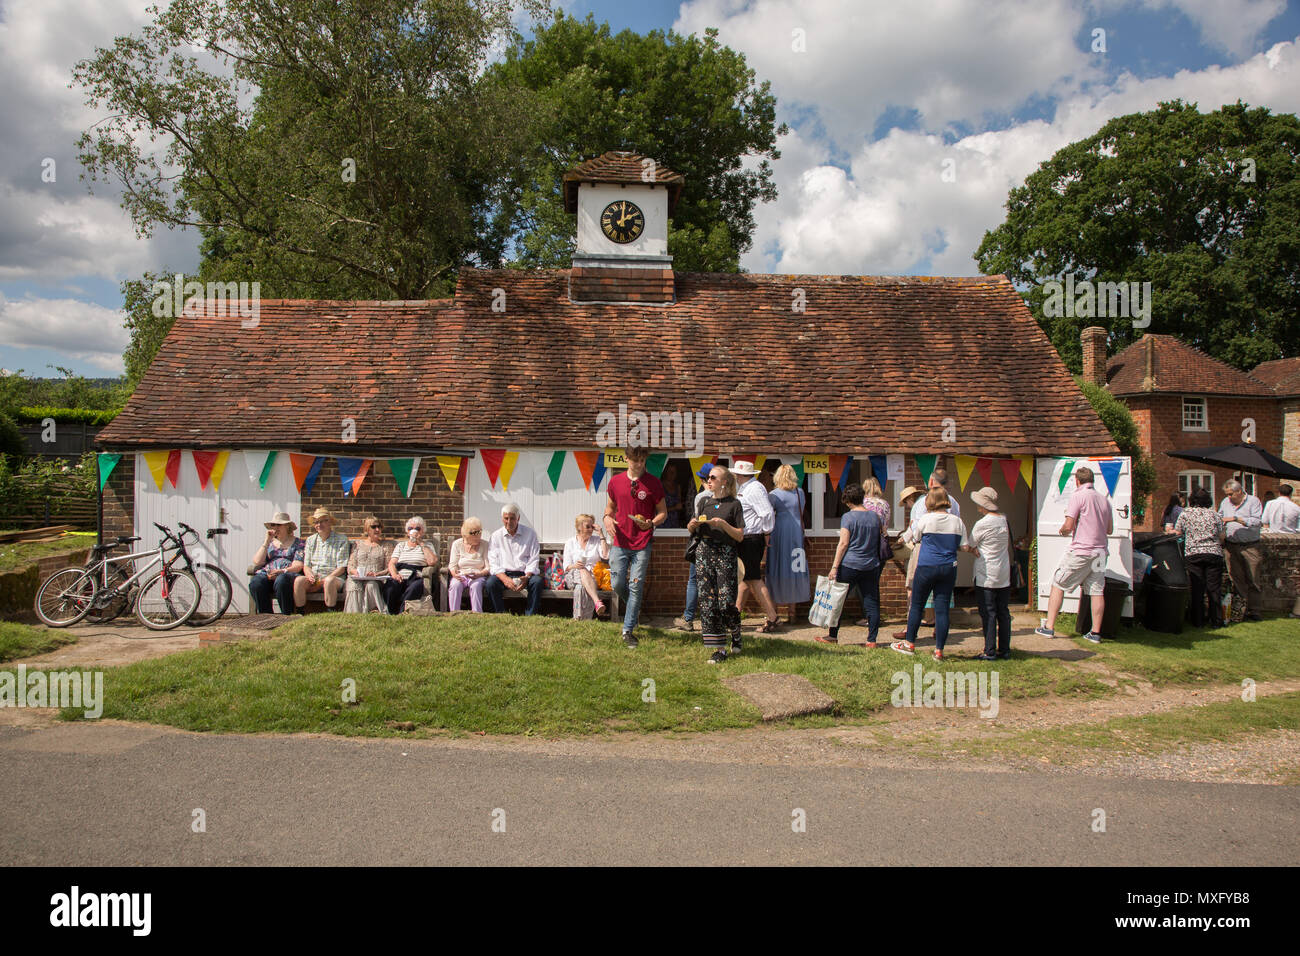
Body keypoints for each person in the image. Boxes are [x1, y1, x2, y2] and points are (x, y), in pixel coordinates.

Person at [1035, 465, 1114, 643]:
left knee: (1058, 582)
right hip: (1101, 551)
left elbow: (1069, 526)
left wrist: (1062, 530)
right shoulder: (1104, 499)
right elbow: (1109, 529)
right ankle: (1095, 633)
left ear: (1077, 481)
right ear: (1092, 480)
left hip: (1082, 551)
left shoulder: (1078, 496)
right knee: (1096, 590)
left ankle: (1049, 627)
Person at [603, 446, 667, 648]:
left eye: (642, 460)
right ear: (626, 459)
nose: (639, 464)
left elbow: (663, 512)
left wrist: (652, 523)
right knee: (617, 584)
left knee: (636, 585)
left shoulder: (654, 483)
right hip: (620, 542)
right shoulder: (615, 482)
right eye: (635, 460)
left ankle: (627, 630)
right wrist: (606, 518)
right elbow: (610, 507)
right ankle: (634, 604)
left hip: (642, 543)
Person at [893, 488, 967, 659]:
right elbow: (963, 546)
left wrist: (912, 528)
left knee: (917, 605)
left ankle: (909, 643)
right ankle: (939, 650)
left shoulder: (926, 519)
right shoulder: (957, 521)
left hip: (927, 565)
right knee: (942, 610)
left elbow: (916, 538)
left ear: (930, 502)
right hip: (948, 567)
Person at [688, 466, 745, 663]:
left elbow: (739, 535)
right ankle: (719, 649)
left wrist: (723, 525)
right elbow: (692, 528)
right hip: (704, 551)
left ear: (725, 482)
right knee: (707, 600)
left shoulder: (735, 504)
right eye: (708, 477)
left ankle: (735, 631)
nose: (708, 480)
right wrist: (692, 525)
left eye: (713, 477)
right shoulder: (704, 501)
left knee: (726, 601)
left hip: (725, 553)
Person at [817, 482, 883, 647]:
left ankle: (832, 635)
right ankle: (872, 640)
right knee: (872, 602)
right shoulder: (875, 516)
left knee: (837, 601)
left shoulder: (848, 517)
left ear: (847, 500)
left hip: (850, 564)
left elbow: (843, 543)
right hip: (871, 564)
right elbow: (881, 535)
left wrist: (834, 567)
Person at [964, 487, 1013, 660]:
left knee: (988, 612)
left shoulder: (982, 524)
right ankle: (1005, 649)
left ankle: (989, 650)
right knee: (1003, 612)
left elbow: (969, 544)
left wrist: (972, 550)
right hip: (1003, 572)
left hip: (986, 572)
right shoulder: (1003, 520)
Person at [732, 460, 780, 633]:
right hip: (747, 537)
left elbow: (766, 513)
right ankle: (734, 616)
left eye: (737, 473)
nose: (735, 476)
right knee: (744, 578)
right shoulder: (747, 488)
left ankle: (772, 616)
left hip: (752, 538)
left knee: (752, 578)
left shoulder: (755, 488)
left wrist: (766, 533)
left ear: (740, 474)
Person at [673, 462, 716, 632]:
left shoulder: (702, 497)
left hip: (701, 542)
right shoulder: (727, 496)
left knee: (694, 581)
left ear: (702, 479)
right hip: (719, 544)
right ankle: (712, 619)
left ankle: (689, 618)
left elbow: (695, 520)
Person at [1175, 488, 1226, 627]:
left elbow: (1178, 532)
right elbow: (1222, 537)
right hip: (1213, 553)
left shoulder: (1186, 514)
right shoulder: (1214, 515)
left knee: (1197, 589)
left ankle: (1197, 620)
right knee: (1213, 588)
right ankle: (1216, 620)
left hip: (1193, 553)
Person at [766, 464, 810, 619]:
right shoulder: (800, 493)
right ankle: (792, 612)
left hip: (779, 532)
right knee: (795, 569)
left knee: (777, 567)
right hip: (797, 532)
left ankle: (774, 612)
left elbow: (768, 516)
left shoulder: (774, 495)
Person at [486, 503, 544, 615]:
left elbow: (534, 559)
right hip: (504, 573)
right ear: (502, 519)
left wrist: (526, 577)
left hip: (524, 573)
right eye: (506, 518)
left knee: (537, 582)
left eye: (512, 518)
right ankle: (500, 614)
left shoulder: (530, 534)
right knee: (490, 584)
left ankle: (530, 615)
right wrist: (505, 579)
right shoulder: (496, 536)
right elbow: (493, 562)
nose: (509, 521)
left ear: (518, 518)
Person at [1219, 479, 1264, 621]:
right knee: (1236, 579)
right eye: (1227, 494)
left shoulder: (1253, 501)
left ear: (1239, 491)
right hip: (1231, 545)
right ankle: (1240, 610)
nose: (1229, 497)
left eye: (1231, 494)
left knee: (1253, 579)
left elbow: (1257, 522)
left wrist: (1237, 519)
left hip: (1250, 545)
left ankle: (1255, 610)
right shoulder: (1225, 502)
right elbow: (1219, 517)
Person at [295, 507, 351, 611]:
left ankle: (330, 613)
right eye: (316, 522)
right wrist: (309, 575)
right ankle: (300, 613)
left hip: (334, 578)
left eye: (322, 521)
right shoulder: (311, 540)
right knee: (299, 580)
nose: (318, 525)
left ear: (329, 522)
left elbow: (341, 568)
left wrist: (323, 581)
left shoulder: (341, 539)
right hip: (315, 578)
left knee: (329, 581)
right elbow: (306, 565)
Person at [249, 512, 304, 615]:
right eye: (273, 525)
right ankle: (266, 616)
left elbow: (298, 565)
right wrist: (266, 541)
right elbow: (257, 561)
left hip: (287, 575)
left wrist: (281, 571)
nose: (275, 527)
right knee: (256, 582)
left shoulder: (299, 543)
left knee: (281, 580)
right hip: (268, 574)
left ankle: (286, 615)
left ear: (287, 526)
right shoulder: (269, 542)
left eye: (279, 525)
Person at [384, 516, 438, 614]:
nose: (414, 531)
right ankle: (390, 613)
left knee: (415, 588)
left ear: (422, 531)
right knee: (390, 587)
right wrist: (394, 575)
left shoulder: (427, 545)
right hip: (400, 575)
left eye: (417, 528)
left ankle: (402, 612)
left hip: (417, 576)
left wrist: (421, 543)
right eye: (410, 528)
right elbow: (392, 563)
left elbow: (432, 562)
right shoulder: (401, 545)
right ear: (407, 532)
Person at [563, 513, 611, 620]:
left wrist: (601, 535)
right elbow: (566, 566)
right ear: (579, 527)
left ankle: (579, 619)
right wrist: (575, 565)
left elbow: (606, 555)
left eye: (592, 527)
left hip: (593, 578)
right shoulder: (570, 543)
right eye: (587, 527)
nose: (590, 529)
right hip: (573, 576)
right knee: (581, 570)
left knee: (580, 588)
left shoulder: (597, 541)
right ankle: (596, 601)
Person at [344, 515, 392, 613]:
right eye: (373, 527)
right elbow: (350, 565)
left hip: (376, 579)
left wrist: (376, 574)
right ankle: (353, 614)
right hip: (358, 577)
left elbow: (389, 567)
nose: (377, 529)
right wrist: (355, 572)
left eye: (379, 527)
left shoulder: (386, 546)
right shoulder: (357, 544)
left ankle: (373, 611)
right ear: (367, 529)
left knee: (371, 585)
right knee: (353, 584)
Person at [448, 517, 490, 613]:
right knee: (455, 585)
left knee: (476, 586)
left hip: (478, 575)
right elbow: (452, 565)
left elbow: (488, 567)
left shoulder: (485, 545)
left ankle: (477, 613)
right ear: (466, 535)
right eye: (475, 534)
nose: (478, 536)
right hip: (461, 574)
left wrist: (479, 574)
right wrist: (455, 574)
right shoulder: (457, 544)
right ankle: (454, 614)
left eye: (479, 533)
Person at [661, 462, 685, 529]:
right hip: (663, 521)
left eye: (674, 472)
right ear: (665, 472)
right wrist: (674, 508)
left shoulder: (677, 487)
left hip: (674, 521)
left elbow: (679, 505)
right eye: (670, 472)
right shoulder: (660, 485)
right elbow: (657, 509)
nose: (672, 474)